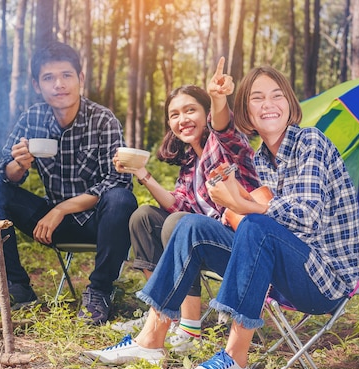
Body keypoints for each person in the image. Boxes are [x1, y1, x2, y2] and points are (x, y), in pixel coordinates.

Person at [82, 66, 359, 369]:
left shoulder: (309, 141)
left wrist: (244, 205)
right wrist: (237, 201)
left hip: (322, 281)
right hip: (278, 269)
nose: (267, 104)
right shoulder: (261, 159)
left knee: (258, 225)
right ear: (247, 113)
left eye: (276, 95)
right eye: (257, 98)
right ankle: (150, 340)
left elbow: (306, 216)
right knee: (189, 225)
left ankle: (235, 361)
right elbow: (233, 192)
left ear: (290, 103)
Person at [0, 41, 137, 325]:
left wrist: (60, 209)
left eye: (66, 75)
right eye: (49, 78)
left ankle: (99, 291)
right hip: (51, 225)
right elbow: (5, 173)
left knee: (121, 198)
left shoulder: (102, 119)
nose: (58, 85)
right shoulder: (32, 118)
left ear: (80, 79)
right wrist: (19, 164)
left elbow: (117, 179)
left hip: (100, 224)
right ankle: (16, 286)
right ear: (37, 85)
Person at [109, 58, 260, 352]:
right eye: (175, 114)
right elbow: (178, 202)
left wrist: (218, 98)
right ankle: (164, 315)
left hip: (242, 246)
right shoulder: (189, 161)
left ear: (206, 113)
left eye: (190, 110)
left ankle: (189, 330)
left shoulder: (226, 143)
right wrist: (143, 175)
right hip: (203, 239)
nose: (183, 119)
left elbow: (224, 125)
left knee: (179, 223)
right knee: (143, 217)